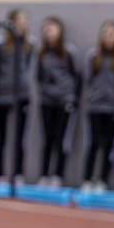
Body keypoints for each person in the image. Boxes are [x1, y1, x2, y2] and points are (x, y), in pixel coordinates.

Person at [0, 7, 33, 187]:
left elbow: (26, 67)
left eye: (25, 21)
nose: (24, 24)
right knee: (1, 136)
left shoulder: (29, 43)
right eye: (21, 20)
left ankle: (18, 174)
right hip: (3, 95)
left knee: (20, 138)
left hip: (22, 95)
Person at [81, 20, 114, 192]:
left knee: (109, 145)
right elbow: (88, 78)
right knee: (93, 143)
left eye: (113, 34)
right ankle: (87, 179)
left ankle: (103, 179)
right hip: (95, 107)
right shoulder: (93, 56)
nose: (109, 37)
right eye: (106, 33)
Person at [35, 16, 80, 187]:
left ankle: (58, 175)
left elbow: (76, 76)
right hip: (47, 102)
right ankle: (44, 174)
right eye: (46, 30)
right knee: (47, 139)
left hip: (65, 102)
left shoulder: (69, 52)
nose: (50, 33)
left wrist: (70, 97)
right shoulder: (41, 53)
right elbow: (39, 77)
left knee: (62, 139)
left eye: (53, 29)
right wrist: (47, 92)